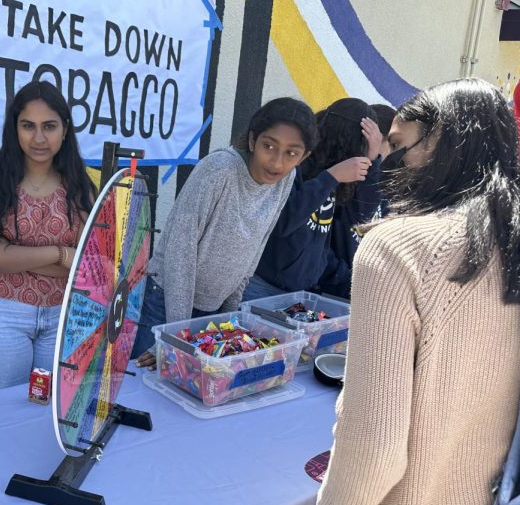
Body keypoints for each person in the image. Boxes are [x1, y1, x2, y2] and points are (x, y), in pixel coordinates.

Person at [315, 78, 520, 505]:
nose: (389, 162)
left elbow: (375, 438)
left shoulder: (398, 247)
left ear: (443, 139)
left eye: (399, 146)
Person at [132, 97, 318, 366]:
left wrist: (228, 322)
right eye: (269, 146)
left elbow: (255, 248)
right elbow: (180, 252)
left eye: (291, 153)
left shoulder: (285, 179)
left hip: (216, 309)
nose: (277, 162)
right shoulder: (219, 170)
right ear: (253, 141)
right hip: (165, 300)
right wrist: (176, 335)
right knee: (148, 381)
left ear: (304, 156)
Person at [0, 80, 96, 391]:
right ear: (14, 129)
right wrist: (61, 255)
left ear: (64, 129)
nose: (38, 138)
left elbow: (89, 262)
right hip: (2, 314)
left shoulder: (80, 186)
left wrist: (11, 254)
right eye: (28, 126)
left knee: (48, 411)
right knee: (2, 409)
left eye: (49, 126)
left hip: (62, 316)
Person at [243, 98, 381, 300]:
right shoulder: (296, 164)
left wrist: (373, 160)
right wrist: (330, 177)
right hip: (262, 287)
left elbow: (362, 217)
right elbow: (283, 222)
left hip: (302, 293)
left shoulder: (338, 179)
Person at [317, 103, 396, 297]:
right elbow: (322, 248)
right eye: (394, 145)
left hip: (357, 291)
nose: (398, 155)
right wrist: (350, 283)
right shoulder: (341, 179)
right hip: (331, 293)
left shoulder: (386, 183)